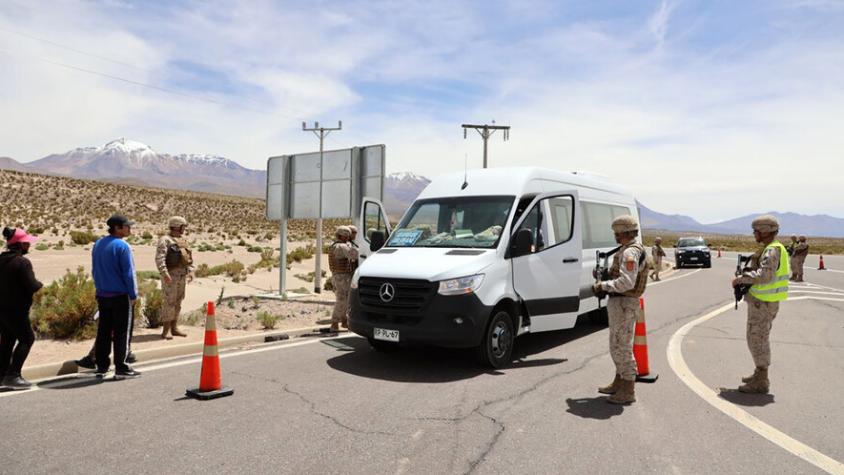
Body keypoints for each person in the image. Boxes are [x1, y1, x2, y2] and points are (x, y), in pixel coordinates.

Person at [592, 215, 649, 405]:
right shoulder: (627, 250)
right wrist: (606, 276)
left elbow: (626, 282)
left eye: (617, 232)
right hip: (621, 303)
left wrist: (603, 285)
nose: (615, 235)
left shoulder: (630, 253)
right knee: (616, 345)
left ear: (623, 231)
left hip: (624, 303)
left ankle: (628, 389)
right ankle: (619, 381)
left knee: (622, 346)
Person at [731, 215, 789, 394]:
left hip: (763, 304)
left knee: (758, 339)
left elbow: (765, 275)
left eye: (756, 230)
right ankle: (759, 373)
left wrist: (741, 279)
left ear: (765, 231)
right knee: (757, 337)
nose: (754, 233)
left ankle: (761, 380)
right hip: (763, 303)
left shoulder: (772, 250)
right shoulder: (771, 248)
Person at [92, 215, 141, 379]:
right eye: (127, 226)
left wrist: (98, 289)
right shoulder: (123, 246)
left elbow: (95, 270)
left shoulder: (98, 244)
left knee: (103, 331)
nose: (129, 229)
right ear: (118, 228)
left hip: (103, 294)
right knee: (122, 332)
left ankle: (102, 365)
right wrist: (133, 294)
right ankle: (122, 366)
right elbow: (129, 273)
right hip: (120, 295)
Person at [0, 228, 42, 390]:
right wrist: (39, 285)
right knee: (27, 339)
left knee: (7, 340)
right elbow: (32, 285)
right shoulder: (22, 262)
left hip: (2, 309)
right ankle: (13, 375)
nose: (28, 245)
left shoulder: (1, 259)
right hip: (16, 310)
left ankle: (2, 374)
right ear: (20, 244)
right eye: (27, 243)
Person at [155, 216, 194, 339]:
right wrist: (164, 273)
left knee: (178, 301)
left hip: (181, 276)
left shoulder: (183, 240)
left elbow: (188, 258)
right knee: (169, 302)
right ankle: (166, 330)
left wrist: (191, 271)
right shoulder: (165, 240)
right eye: (183, 227)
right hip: (170, 276)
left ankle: (174, 327)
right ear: (177, 226)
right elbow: (160, 258)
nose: (184, 229)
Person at [328, 226, 358, 332]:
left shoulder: (334, 245)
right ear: (341, 236)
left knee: (345, 299)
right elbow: (354, 255)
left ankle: (344, 321)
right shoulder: (342, 246)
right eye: (346, 236)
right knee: (342, 300)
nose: (347, 238)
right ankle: (334, 323)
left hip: (338, 276)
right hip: (342, 277)